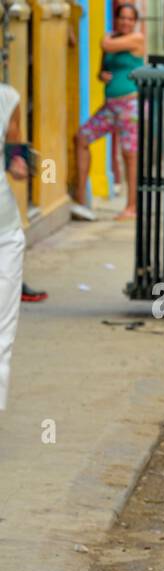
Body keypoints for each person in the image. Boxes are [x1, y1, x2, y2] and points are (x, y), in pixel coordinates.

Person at [71, 2, 145, 222]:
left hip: (129, 105)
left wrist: (106, 40)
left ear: (135, 22)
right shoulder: (114, 39)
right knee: (81, 138)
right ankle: (81, 200)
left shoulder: (136, 38)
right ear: (117, 19)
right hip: (110, 106)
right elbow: (101, 71)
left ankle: (131, 207)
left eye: (130, 19)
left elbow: (105, 44)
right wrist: (102, 76)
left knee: (130, 156)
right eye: (122, 18)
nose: (126, 22)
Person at [0, 83, 29, 411]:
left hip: (5, 235)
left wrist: (19, 164)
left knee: (1, 336)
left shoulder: (8, 99)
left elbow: (15, 154)